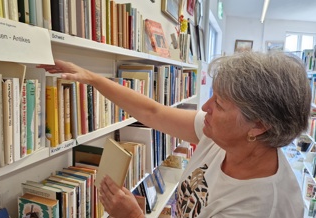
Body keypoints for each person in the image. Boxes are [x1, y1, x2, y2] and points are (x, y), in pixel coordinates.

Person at [37, 51, 310, 218]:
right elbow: (154, 113)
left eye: (220, 104)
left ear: (259, 126)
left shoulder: (262, 208)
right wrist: (92, 78)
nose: (205, 107)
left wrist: (133, 215)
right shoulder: (224, 137)